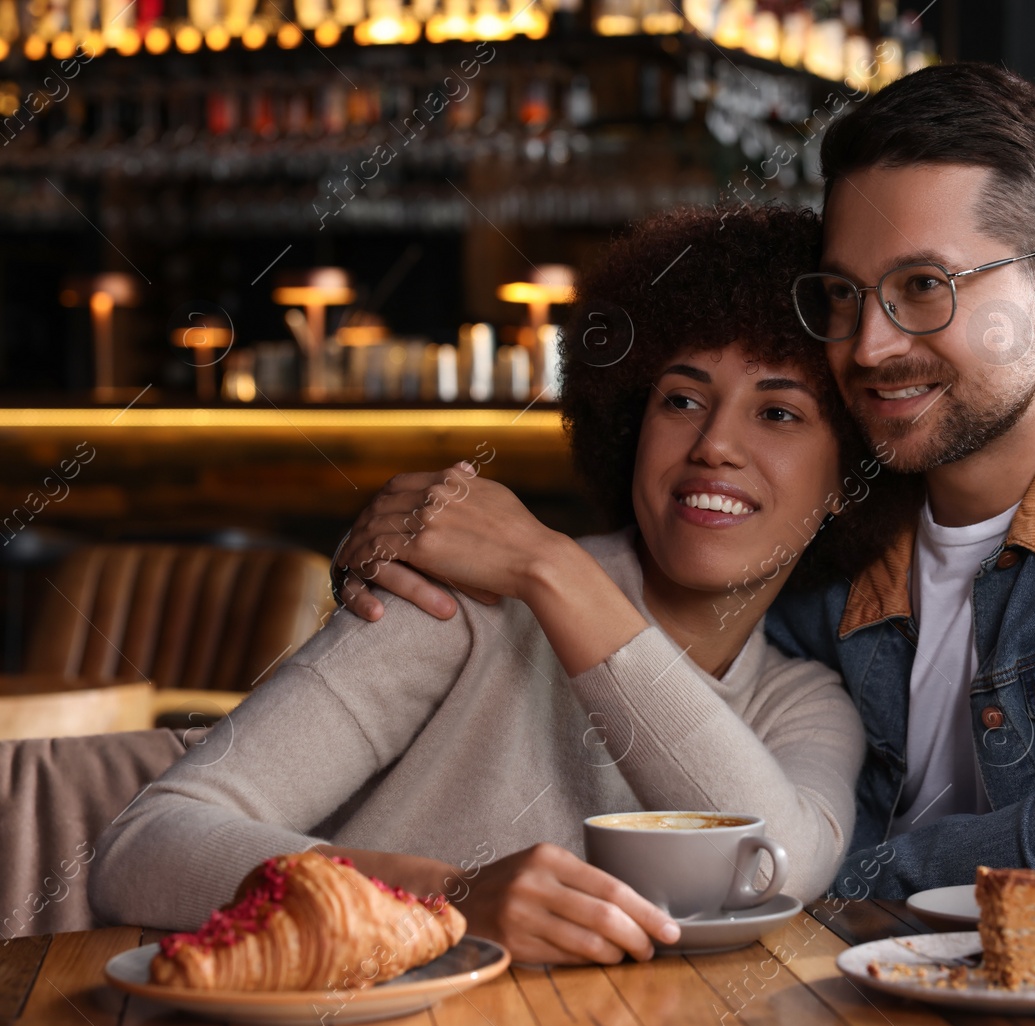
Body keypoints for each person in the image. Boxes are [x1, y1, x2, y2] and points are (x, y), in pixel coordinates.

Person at [346, 63, 1035, 903]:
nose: (869, 345)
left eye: (924, 288)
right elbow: (677, 696)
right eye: (843, 293)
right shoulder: (834, 510)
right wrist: (428, 531)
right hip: (843, 999)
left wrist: (813, 874)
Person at [90, 204, 900, 964]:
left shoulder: (802, 703)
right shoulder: (462, 605)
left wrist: (551, 568)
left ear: (847, 479)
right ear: (629, 426)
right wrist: (446, 898)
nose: (716, 444)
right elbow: (145, 845)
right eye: (682, 398)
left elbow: (773, 870)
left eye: (780, 413)